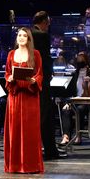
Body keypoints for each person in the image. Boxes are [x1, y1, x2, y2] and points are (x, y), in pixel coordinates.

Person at [4, 27, 44, 173]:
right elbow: (7, 73)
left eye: (24, 36)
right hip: (15, 98)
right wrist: (9, 78)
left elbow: (40, 74)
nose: (21, 38)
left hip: (30, 97)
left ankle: (31, 165)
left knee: (30, 132)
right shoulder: (11, 54)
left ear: (29, 39)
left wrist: (34, 80)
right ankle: (14, 165)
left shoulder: (35, 54)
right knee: (14, 131)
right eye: (19, 35)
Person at [31, 11, 63, 160]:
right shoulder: (42, 35)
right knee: (46, 116)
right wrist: (50, 73)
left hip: (28, 80)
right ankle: (50, 151)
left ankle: (35, 149)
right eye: (48, 22)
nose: (48, 25)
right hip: (41, 80)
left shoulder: (27, 33)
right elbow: (45, 58)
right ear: (44, 21)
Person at [59, 52, 90, 145]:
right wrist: (68, 102)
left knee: (80, 109)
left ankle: (78, 135)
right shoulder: (75, 74)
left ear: (86, 60)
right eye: (78, 58)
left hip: (88, 101)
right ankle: (66, 136)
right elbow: (70, 91)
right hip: (75, 100)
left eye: (81, 58)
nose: (79, 60)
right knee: (65, 110)